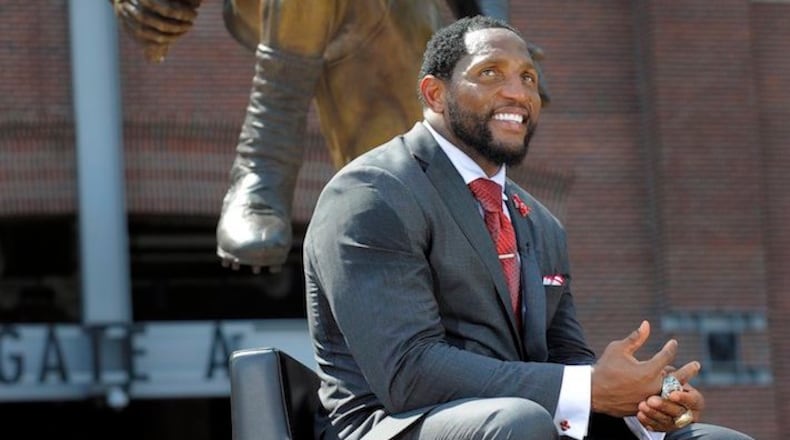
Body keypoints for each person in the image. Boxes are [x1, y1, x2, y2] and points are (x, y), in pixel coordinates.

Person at [303, 15, 754, 440]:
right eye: (490, 73)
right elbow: (408, 372)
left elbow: (567, 359)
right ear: (435, 94)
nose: (517, 93)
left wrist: (645, 397)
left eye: (529, 78)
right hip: (391, 424)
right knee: (520, 423)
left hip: (523, 422)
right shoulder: (373, 192)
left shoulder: (539, 222)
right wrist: (588, 389)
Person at [110, 0, 547, 272]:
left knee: (417, 226)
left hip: (390, 18)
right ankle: (263, 166)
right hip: (269, 10)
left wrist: (494, 42)